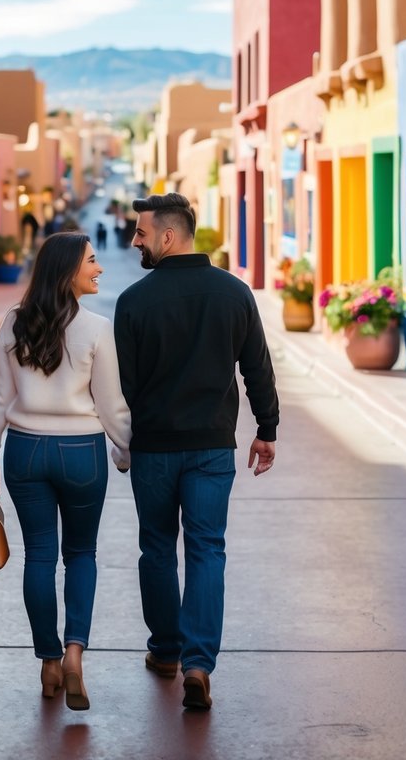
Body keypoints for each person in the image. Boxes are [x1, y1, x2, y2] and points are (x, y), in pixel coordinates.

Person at [114, 192, 278, 712]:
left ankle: (166, 651)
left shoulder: (135, 301)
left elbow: (123, 388)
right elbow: (257, 367)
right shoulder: (234, 293)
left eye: (140, 233)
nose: (134, 241)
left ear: (167, 235)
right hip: (211, 448)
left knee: (157, 549)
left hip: (155, 451)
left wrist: (124, 444)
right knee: (208, 549)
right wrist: (266, 428)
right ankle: (199, 663)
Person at [0, 232, 131, 711]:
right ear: (67, 271)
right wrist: (124, 452)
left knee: (40, 557)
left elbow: (0, 398)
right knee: (81, 554)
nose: (99, 268)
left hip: (24, 452)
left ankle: (47, 661)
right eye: (91, 261)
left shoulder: (13, 323)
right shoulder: (96, 329)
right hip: (82, 453)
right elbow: (112, 405)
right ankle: (73, 653)